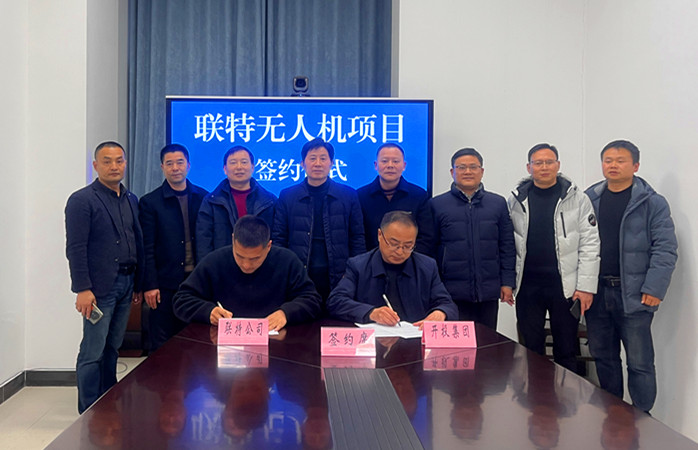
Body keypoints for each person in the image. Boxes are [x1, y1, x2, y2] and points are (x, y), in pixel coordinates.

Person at [585, 140, 677, 413]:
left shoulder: (652, 203)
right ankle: (612, 415)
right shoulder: (589, 199)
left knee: (639, 362)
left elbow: (665, 248)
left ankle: (642, 418)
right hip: (597, 292)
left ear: (635, 166)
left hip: (635, 293)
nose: (613, 165)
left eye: (620, 160)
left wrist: (654, 288)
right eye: (608, 160)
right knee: (603, 357)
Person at [65, 141, 144, 413]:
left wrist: (138, 283)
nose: (114, 166)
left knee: (113, 347)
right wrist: (83, 288)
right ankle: (88, 410)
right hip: (98, 289)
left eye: (119, 160)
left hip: (126, 282)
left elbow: (136, 241)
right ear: (95, 166)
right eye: (107, 161)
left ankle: (108, 400)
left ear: (125, 163)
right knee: (93, 350)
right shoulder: (82, 200)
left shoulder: (131, 199)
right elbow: (75, 248)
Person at [508, 143, 600, 373]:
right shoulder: (516, 200)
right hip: (528, 286)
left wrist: (585, 287)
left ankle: (565, 397)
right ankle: (535, 395)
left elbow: (590, 244)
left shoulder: (577, 199)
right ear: (529, 167)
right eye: (538, 163)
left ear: (558, 165)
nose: (544, 167)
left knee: (566, 350)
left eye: (549, 162)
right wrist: (508, 282)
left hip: (565, 287)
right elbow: (508, 244)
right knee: (530, 350)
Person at [173, 215, 321, 330]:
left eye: (255, 258)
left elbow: (312, 300)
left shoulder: (287, 261)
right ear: (233, 240)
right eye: (239, 256)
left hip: (275, 341)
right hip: (224, 344)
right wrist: (208, 311)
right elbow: (181, 299)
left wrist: (286, 313)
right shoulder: (214, 261)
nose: (246, 265)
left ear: (269, 246)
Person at [429, 148, 516, 330]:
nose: (467, 171)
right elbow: (429, 248)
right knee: (455, 343)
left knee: (487, 341)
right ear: (452, 172)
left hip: (488, 292)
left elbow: (507, 246)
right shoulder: (437, 205)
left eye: (473, 167)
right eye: (461, 167)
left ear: (481, 171)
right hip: (450, 294)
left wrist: (507, 283)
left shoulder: (497, 203)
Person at [272, 138, 365, 300]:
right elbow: (279, 237)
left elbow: (357, 237)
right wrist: (285, 269)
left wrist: (354, 272)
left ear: (331, 163)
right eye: (312, 158)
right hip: (299, 273)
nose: (318, 164)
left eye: (323, 158)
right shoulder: (288, 196)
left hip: (338, 274)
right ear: (303, 164)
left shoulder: (348, 195)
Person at [326, 211, 457, 326]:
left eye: (408, 246)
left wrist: (440, 313)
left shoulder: (427, 267)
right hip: (373, 341)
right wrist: (371, 313)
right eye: (394, 244)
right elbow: (335, 302)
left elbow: (448, 304)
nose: (400, 252)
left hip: (414, 339)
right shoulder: (358, 266)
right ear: (379, 235)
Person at [139, 144, 208, 351]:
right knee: (162, 344)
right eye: (169, 163)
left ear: (188, 165)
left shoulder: (203, 197)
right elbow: (147, 247)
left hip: (196, 282)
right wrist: (150, 284)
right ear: (162, 167)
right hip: (164, 283)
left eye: (180, 162)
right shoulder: (150, 202)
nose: (175, 168)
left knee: (195, 343)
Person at [196, 145, 276, 260]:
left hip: (260, 263)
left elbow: (276, 238)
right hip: (222, 264)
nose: (239, 167)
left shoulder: (269, 201)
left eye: (244, 162)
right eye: (233, 163)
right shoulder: (211, 201)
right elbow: (203, 240)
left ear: (253, 167)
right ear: (225, 169)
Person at [357, 143, 433, 254]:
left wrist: (405, 256)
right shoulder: (360, 196)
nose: (390, 165)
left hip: (408, 259)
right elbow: (358, 235)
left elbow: (426, 236)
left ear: (404, 165)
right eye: (384, 161)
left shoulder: (419, 196)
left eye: (396, 161)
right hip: (370, 261)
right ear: (376, 165)